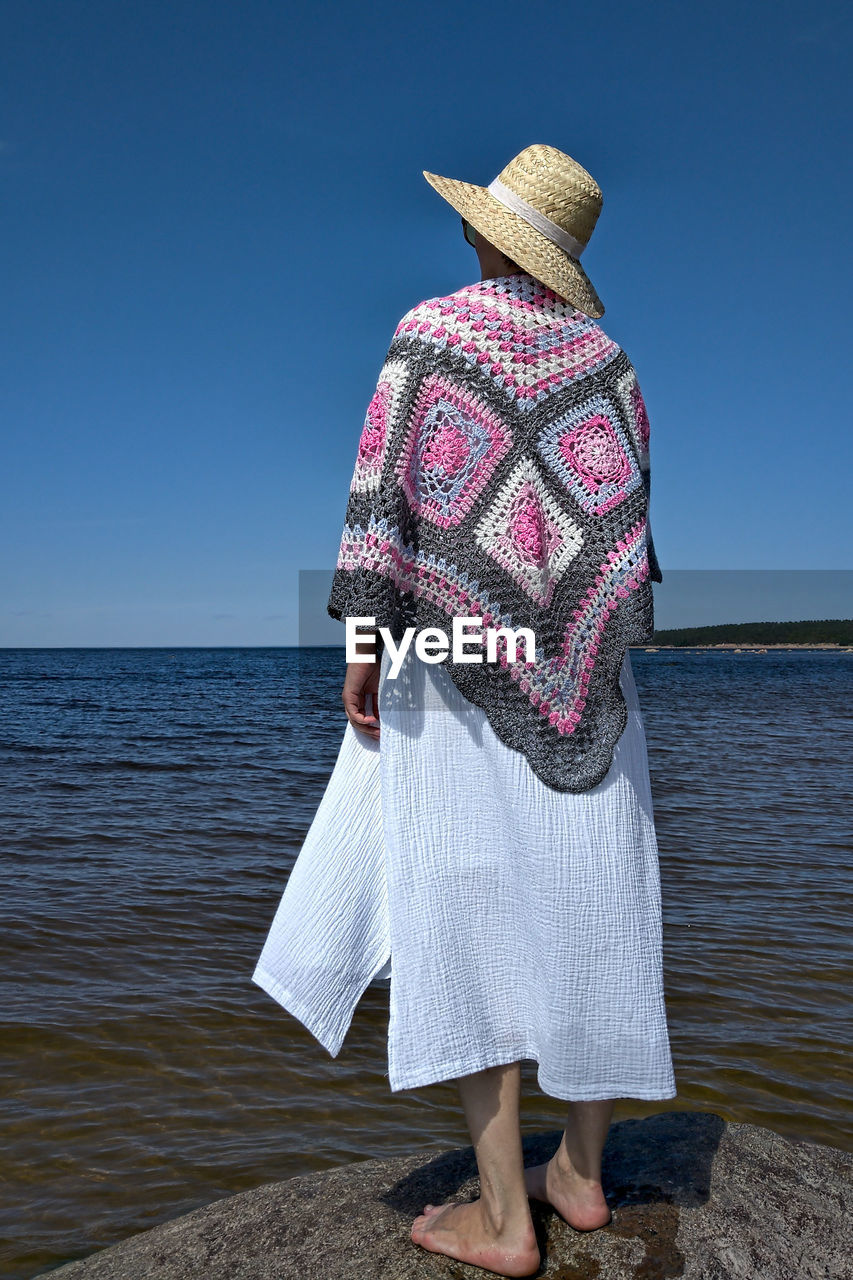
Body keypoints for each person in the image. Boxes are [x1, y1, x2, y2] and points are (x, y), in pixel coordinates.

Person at [254, 144, 676, 1278]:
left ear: (489, 232)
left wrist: (362, 641)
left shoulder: (432, 332)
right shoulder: (612, 364)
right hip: (589, 670)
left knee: (463, 904)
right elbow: (621, 542)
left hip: (449, 655)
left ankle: (503, 1213)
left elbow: (382, 498)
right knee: (598, 895)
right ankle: (580, 1174)